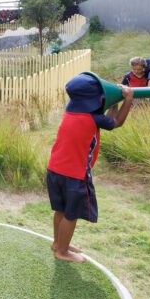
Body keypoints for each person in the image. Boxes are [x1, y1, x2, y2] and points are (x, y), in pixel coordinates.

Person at [46, 74, 134, 263]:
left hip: (54, 169)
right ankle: (62, 252)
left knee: (60, 210)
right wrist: (128, 99)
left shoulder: (71, 112)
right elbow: (116, 122)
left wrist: (113, 103)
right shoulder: (94, 118)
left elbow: (108, 119)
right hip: (75, 174)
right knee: (71, 214)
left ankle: (58, 243)